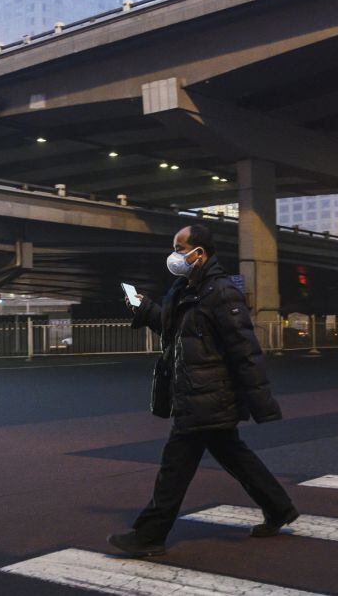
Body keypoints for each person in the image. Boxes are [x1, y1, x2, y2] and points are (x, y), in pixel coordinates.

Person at [107, 223, 298, 557]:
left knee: (175, 467)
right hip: (197, 393)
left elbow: (244, 349)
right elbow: (172, 326)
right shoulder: (185, 289)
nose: (175, 255)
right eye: (175, 247)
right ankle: (279, 508)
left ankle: (150, 536)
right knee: (235, 456)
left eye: (181, 248)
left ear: (200, 252)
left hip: (207, 395)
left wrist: (262, 403)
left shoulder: (220, 291)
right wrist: (140, 305)